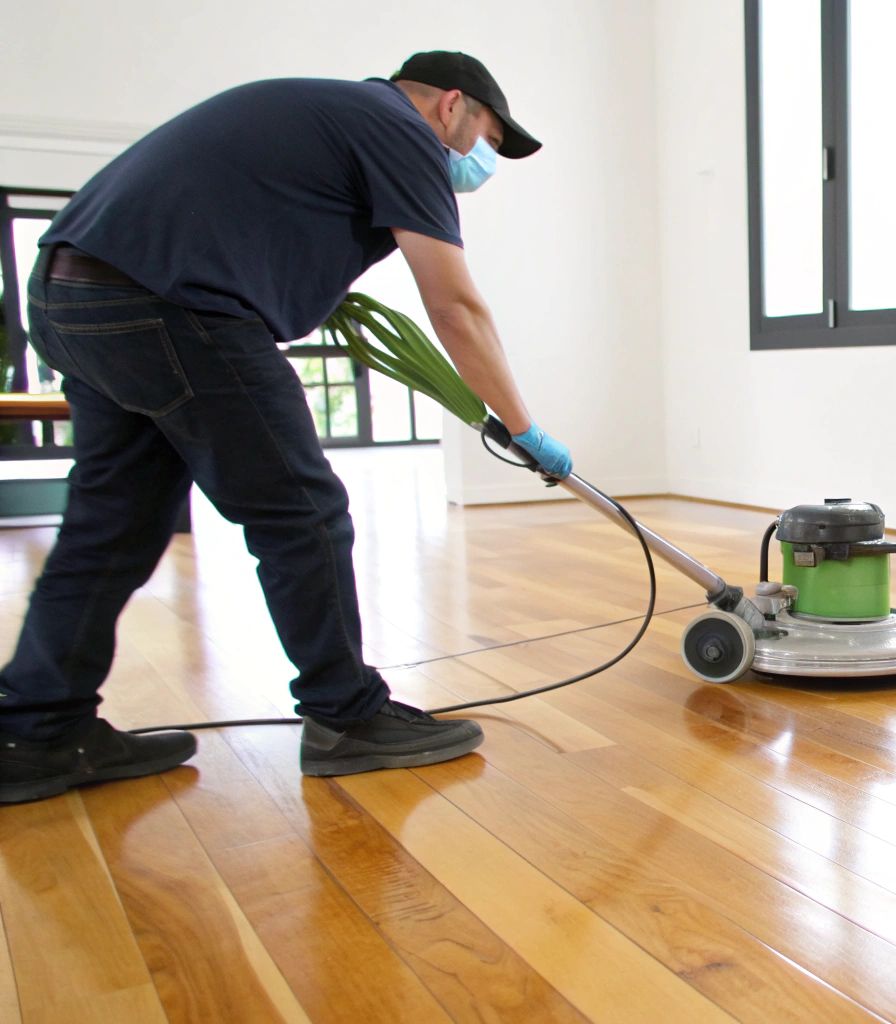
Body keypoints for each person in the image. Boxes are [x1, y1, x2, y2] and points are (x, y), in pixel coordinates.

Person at [0, 52, 571, 804]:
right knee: (300, 509)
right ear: (450, 105)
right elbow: (455, 306)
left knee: (113, 525)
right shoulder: (398, 131)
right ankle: (349, 718)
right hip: (169, 306)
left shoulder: (323, 115)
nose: (475, 159)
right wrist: (523, 428)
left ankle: (37, 733)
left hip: (73, 294)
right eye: (484, 138)